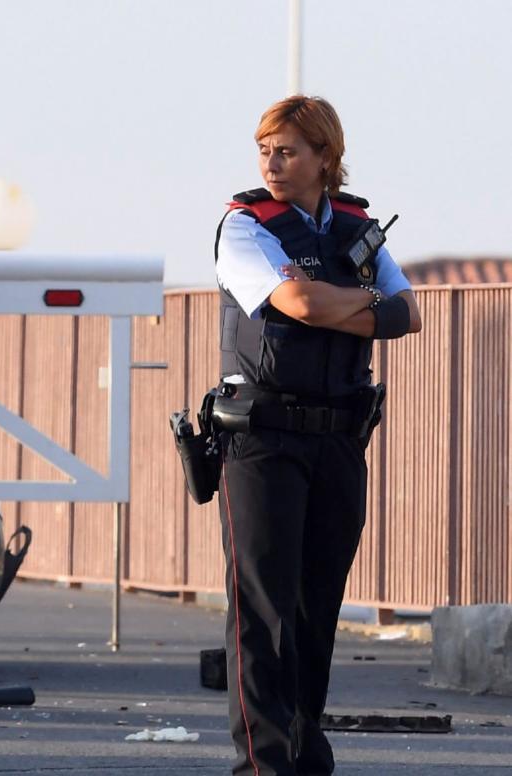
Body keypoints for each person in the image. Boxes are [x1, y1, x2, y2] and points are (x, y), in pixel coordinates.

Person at [212, 95, 422, 775]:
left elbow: (407, 314)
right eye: (264, 150)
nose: (272, 162)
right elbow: (298, 303)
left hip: (338, 439)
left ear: (324, 158)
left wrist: (335, 302)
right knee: (263, 612)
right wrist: (352, 303)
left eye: (288, 150)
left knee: (317, 608)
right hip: (263, 439)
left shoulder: (358, 227)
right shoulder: (245, 227)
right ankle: (262, 764)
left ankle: (305, 752)